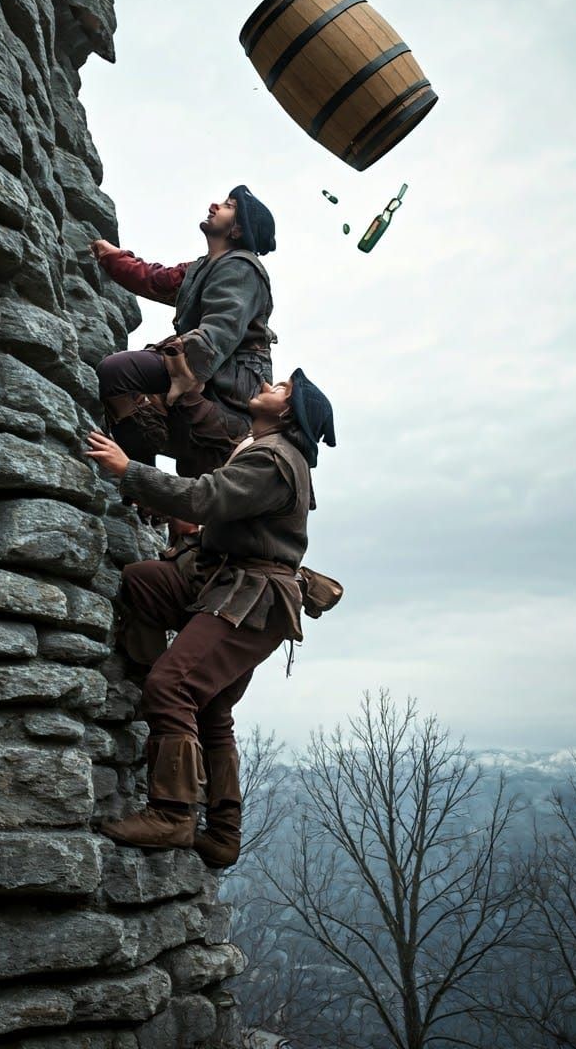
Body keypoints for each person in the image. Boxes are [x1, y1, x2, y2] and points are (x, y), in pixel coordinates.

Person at [85, 368, 336, 868]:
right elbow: (220, 509)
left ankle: (172, 814)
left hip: (251, 598)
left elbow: (206, 498)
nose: (267, 387)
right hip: (227, 584)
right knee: (147, 588)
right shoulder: (261, 448)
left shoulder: (273, 459)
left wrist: (129, 470)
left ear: (288, 413)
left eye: (281, 389)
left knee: (173, 686)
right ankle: (223, 833)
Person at [92, 186, 276, 479]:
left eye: (228, 206)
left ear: (238, 229)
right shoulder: (202, 268)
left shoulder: (243, 269)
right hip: (201, 377)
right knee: (123, 393)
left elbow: (222, 328)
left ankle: (140, 482)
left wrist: (184, 365)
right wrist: (114, 258)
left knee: (118, 371)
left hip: (225, 395)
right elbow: (157, 280)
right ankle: (141, 487)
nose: (214, 205)